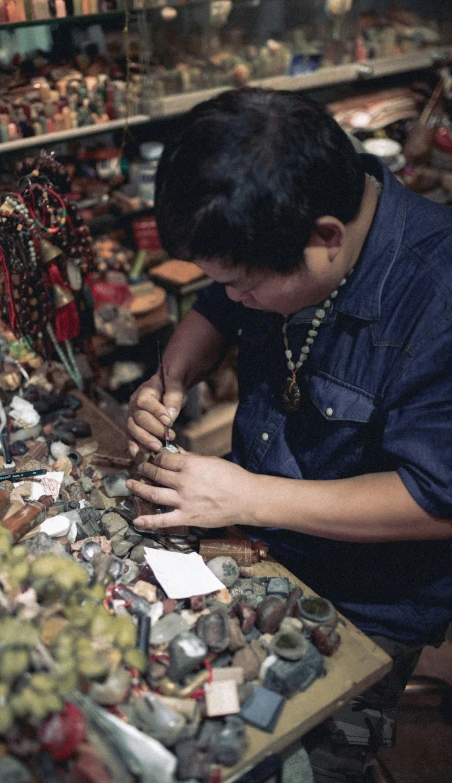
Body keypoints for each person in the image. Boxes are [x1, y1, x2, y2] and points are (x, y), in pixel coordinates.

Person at [125, 88, 452, 781]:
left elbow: (435, 499)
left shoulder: (438, 297)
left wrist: (248, 496)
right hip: (258, 543)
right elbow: (218, 302)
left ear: (326, 237)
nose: (232, 297)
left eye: (245, 285)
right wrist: (173, 374)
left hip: (369, 596)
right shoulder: (280, 223)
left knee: (316, 758)